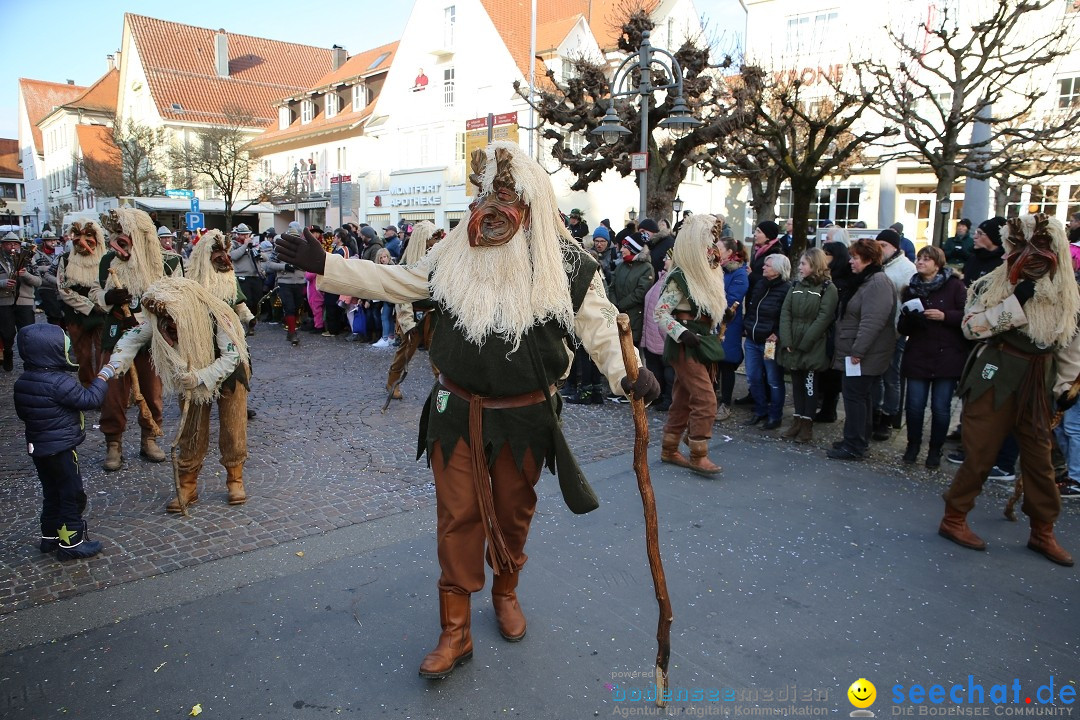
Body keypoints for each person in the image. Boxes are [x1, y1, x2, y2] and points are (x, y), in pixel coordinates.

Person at [275, 141, 659, 678]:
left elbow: (599, 323)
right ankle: (454, 629)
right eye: (487, 195)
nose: (494, 207)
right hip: (456, 412)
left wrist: (628, 373)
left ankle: (506, 589)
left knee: (512, 515)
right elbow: (402, 282)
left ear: (532, 202)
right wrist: (328, 266)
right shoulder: (456, 250)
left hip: (526, 419)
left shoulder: (567, 262)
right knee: (458, 517)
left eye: (508, 195)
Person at [938, 213, 1080, 567]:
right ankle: (954, 517)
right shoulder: (992, 284)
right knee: (981, 452)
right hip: (995, 371)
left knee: (1040, 459)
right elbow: (972, 328)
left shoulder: (1065, 290)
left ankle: (1042, 530)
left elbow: (1069, 338)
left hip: (1038, 377)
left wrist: (1067, 383)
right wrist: (1015, 302)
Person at [109, 277, 251, 511]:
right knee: (191, 428)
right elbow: (134, 337)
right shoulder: (163, 315)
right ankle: (188, 485)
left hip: (230, 372)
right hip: (190, 371)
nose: (169, 324)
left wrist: (200, 376)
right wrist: (116, 362)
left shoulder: (219, 314)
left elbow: (232, 356)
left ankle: (235, 479)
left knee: (233, 427)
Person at [13, 324, 120, 558]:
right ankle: (72, 542)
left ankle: (50, 537)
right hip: (61, 449)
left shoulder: (23, 381)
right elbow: (89, 399)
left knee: (52, 492)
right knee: (71, 493)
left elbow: (24, 413)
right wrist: (104, 375)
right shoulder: (59, 382)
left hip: (39, 448)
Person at [90, 207, 183, 471]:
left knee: (152, 392)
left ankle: (150, 436)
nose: (118, 236)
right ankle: (114, 442)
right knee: (113, 392)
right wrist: (107, 298)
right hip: (116, 332)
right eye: (115, 231)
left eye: (124, 231)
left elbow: (178, 296)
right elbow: (94, 290)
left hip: (151, 336)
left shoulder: (168, 262)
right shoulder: (109, 260)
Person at [655, 214, 728, 474]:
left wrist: (721, 317)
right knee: (706, 399)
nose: (713, 248)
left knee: (684, 399)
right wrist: (681, 333)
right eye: (708, 241)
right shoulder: (681, 276)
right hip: (686, 343)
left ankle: (669, 448)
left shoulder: (703, 275)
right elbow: (660, 313)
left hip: (700, 340)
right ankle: (698, 454)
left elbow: (705, 309)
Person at [827, 238, 898, 460]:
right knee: (860, 397)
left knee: (855, 396)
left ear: (868, 259)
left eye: (855, 258)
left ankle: (855, 444)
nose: (851, 261)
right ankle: (856, 439)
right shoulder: (866, 281)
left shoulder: (877, 283)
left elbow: (872, 323)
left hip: (864, 354)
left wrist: (857, 352)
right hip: (860, 352)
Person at [897, 246, 967, 468]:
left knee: (940, 407)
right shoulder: (910, 288)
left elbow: (967, 316)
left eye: (926, 260)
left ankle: (935, 450)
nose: (920, 262)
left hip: (947, 356)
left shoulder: (955, 286)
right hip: (918, 354)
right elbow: (902, 326)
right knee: (915, 406)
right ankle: (913, 445)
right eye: (919, 258)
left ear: (938, 264)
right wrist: (911, 320)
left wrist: (945, 315)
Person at [778, 248, 838, 443]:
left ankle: (807, 424)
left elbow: (824, 318)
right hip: (793, 343)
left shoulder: (828, 289)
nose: (800, 267)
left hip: (813, 346)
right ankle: (797, 420)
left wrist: (804, 343)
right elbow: (785, 313)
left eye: (804, 264)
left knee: (809, 385)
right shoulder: (795, 286)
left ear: (814, 265)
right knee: (796, 385)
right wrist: (787, 341)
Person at [385, 221, 444, 399]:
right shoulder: (408, 266)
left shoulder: (437, 262)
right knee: (405, 351)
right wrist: (407, 323)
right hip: (414, 315)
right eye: (433, 238)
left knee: (438, 352)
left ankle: (442, 386)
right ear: (422, 240)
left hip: (433, 315)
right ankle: (392, 381)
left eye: (437, 237)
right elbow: (402, 296)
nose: (437, 241)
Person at [871, 228, 916, 441]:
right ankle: (875, 412)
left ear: (895, 247)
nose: (880, 250)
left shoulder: (906, 268)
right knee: (876, 375)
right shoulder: (878, 265)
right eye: (878, 246)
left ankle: (889, 417)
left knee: (891, 377)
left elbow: (907, 302)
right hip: (876, 330)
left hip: (894, 332)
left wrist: (899, 329)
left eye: (884, 246)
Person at [742, 253, 792, 430]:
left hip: (769, 341)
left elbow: (787, 315)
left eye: (768, 266)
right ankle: (760, 410)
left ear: (778, 270)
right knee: (753, 377)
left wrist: (777, 333)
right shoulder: (761, 284)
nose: (763, 267)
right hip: (752, 338)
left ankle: (775, 415)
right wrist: (746, 325)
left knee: (773, 379)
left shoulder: (787, 289)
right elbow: (751, 307)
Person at [56, 221, 107, 385]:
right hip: (77, 314)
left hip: (103, 314)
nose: (81, 240)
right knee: (83, 356)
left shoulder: (106, 259)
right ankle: (87, 387)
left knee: (104, 354)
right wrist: (90, 306)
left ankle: (102, 389)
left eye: (88, 235)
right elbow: (63, 289)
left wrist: (102, 303)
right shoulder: (65, 259)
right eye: (77, 235)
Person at [814, 241, 856, 423]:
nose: (824, 258)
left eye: (827, 254)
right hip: (824, 330)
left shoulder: (843, 281)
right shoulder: (825, 277)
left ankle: (829, 409)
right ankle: (824, 407)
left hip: (835, 331)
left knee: (832, 374)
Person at [715, 238, 749, 422]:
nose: (715, 250)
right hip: (712, 322)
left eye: (719, 247)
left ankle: (725, 403)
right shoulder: (715, 268)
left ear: (729, 252)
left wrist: (713, 305)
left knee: (727, 363)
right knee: (713, 362)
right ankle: (712, 398)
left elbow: (733, 300)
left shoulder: (738, 273)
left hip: (729, 324)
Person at [1, 232, 41, 371]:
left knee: (27, 334)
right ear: (3, 245)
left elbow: (38, 281)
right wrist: (2, 283)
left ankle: (29, 361)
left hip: (25, 301)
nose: (13, 246)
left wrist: (26, 275)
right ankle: (7, 352)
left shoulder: (29, 259)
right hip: (4, 301)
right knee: (7, 333)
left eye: (16, 243)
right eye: (9, 243)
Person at [641, 249, 675, 412]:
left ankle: (669, 399)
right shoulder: (662, 277)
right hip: (651, 331)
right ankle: (657, 395)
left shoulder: (673, 280)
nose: (664, 261)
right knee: (655, 368)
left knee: (668, 370)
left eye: (668, 258)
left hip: (663, 332)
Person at [609, 234, 655, 348]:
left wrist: (621, 305)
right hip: (617, 314)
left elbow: (640, 293)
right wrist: (614, 305)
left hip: (634, 320)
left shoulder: (646, 268)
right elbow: (612, 286)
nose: (621, 250)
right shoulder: (621, 266)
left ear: (633, 249)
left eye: (625, 247)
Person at [229, 223, 263, 321]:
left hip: (255, 275)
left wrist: (257, 251)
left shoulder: (253, 245)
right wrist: (244, 246)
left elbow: (265, 258)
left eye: (247, 234)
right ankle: (247, 322)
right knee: (247, 301)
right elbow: (233, 256)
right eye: (243, 234)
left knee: (257, 300)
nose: (245, 236)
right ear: (238, 235)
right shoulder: (233, 244)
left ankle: (253, 320)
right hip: (242, 277)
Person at [32, 230, 64, 327]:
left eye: (54, 240)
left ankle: (64, 336)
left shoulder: (60, 251)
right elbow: (32, 268)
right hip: (46, 286)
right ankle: (54, 333)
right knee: (53, 314)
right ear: (44, 242)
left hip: (59, 287)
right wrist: (43, 268)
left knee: (63, 314)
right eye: (50, 241)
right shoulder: (36, 253)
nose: (53, 242)